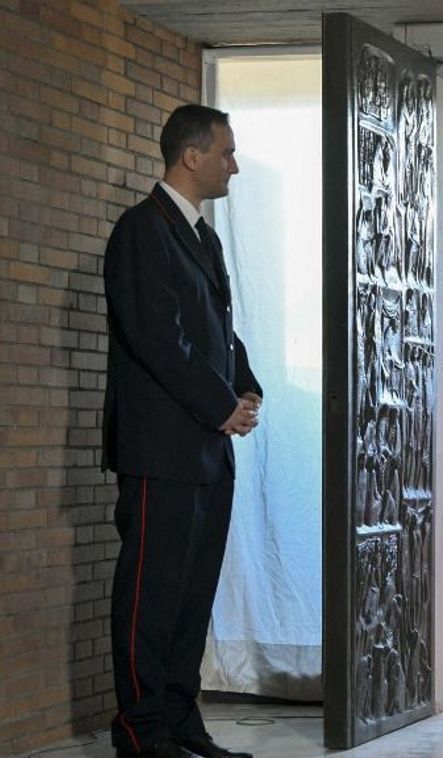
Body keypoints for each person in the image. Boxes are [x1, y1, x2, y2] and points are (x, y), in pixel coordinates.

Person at [102, 104, 261, 758]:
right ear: (191, 156)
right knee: (152, 595)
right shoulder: (143, 231)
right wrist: (219, 404)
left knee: (192, 596)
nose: (234, 163)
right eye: (225, 152)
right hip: (161, 450)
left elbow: (216, 333)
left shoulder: (202, 236)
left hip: (206, 452)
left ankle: (178, 719)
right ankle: (141, 730)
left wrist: (245, 388)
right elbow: (157, 340)